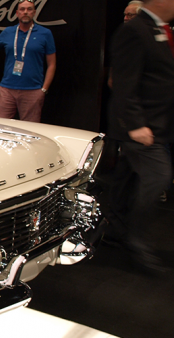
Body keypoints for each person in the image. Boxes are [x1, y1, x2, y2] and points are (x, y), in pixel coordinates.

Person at [105, 0, 174, 274]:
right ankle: (137, 241)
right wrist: (134, 124)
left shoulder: (160, 29)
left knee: (126, 176)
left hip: (157, 122)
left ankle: (115, 228)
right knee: (158, 176)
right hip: (140, 127)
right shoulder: (134, 30)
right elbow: (123, 82)